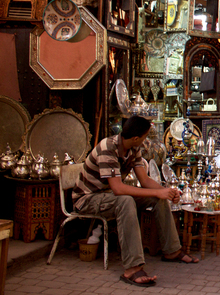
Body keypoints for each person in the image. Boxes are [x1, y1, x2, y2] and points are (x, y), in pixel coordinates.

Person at [72, 116, 198, 287]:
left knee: (155, 198)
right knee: (125, 201)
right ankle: (132, 267)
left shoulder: (134, 148)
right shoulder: (107, 148)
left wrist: (164, 191)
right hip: (87, 199)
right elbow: (118, 188)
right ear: (136, 138)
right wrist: (159, 192)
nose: (146, 140)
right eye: (145, 136)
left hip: (109, 195)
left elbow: (144, 181)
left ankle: (172, 250)